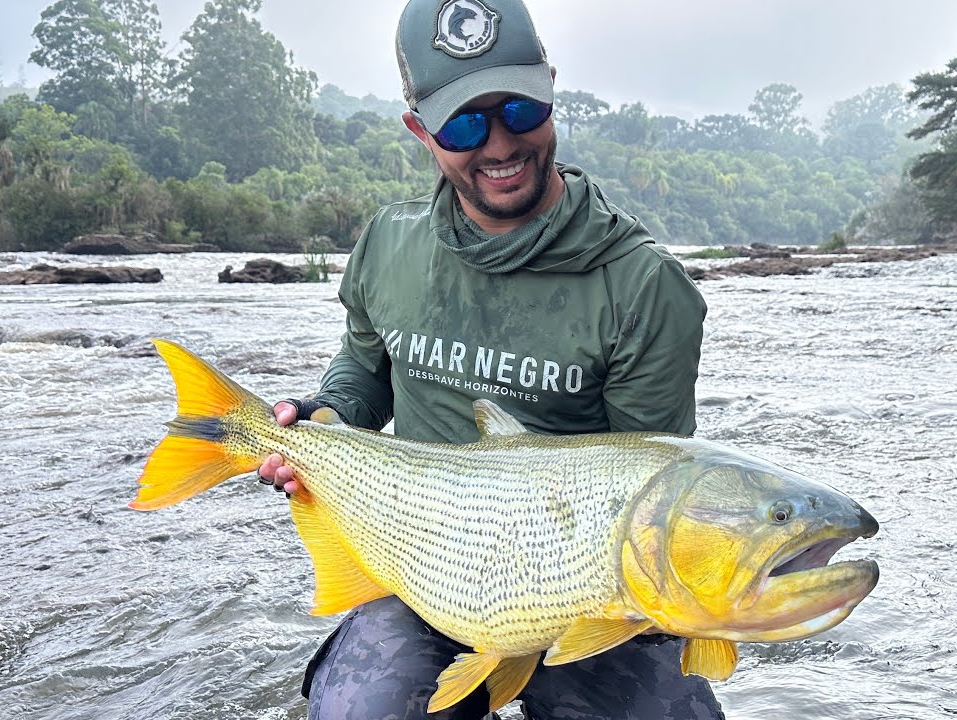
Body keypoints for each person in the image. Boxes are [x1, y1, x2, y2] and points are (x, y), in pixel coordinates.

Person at [258, 1, 721, 717]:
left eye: (520, 109)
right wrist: (329, 415)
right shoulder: (388, 245)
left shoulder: (646, 288)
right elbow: (361, 375)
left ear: (551, 89)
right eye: (465, 124)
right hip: (426, 569)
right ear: (420, 129)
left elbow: (649, 481)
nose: (500, 143)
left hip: (590, 589)